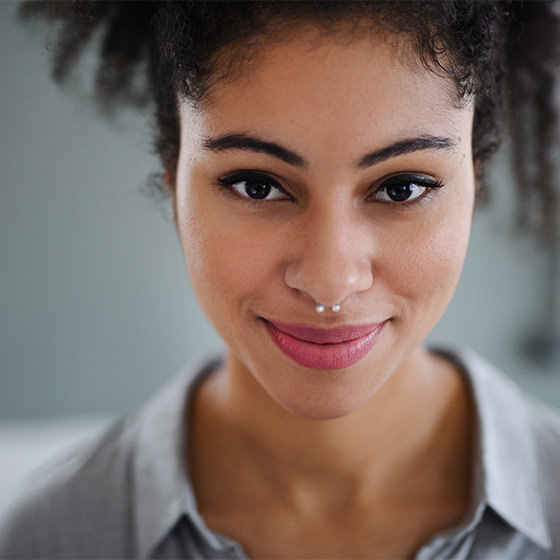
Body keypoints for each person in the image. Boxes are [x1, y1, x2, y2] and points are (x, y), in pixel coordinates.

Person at [1, 1, 560, 558]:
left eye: (402, 187)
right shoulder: (46, 540)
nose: (330, 282)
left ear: (474, 180)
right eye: (257, 186)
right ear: (174, 185)